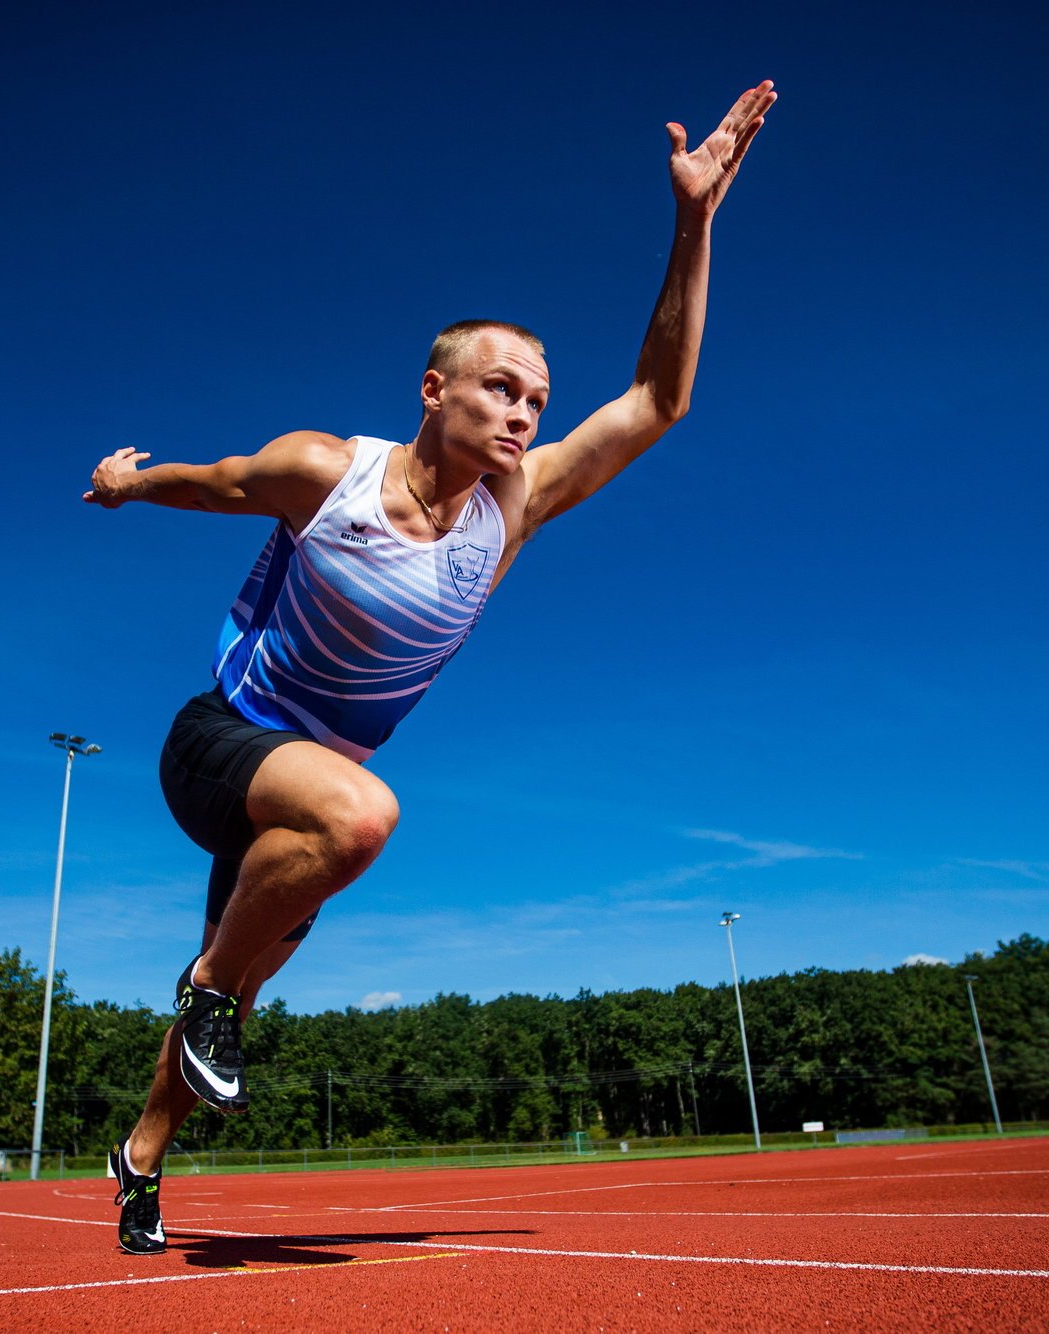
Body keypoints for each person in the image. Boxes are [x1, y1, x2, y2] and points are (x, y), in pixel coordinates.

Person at [81, 80, 776, 1255]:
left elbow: (658, 398)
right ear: (433, 388)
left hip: (308, 794)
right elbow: (207, 480)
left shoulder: (511, 511)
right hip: (222, 742)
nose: (522, 414)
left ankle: (142, 1150)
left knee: (235, 991)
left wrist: (693, 219)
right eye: (501, 388)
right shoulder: (325, 472)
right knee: (360, 818)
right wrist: (121, 481)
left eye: (536, 400)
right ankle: (207, 993)